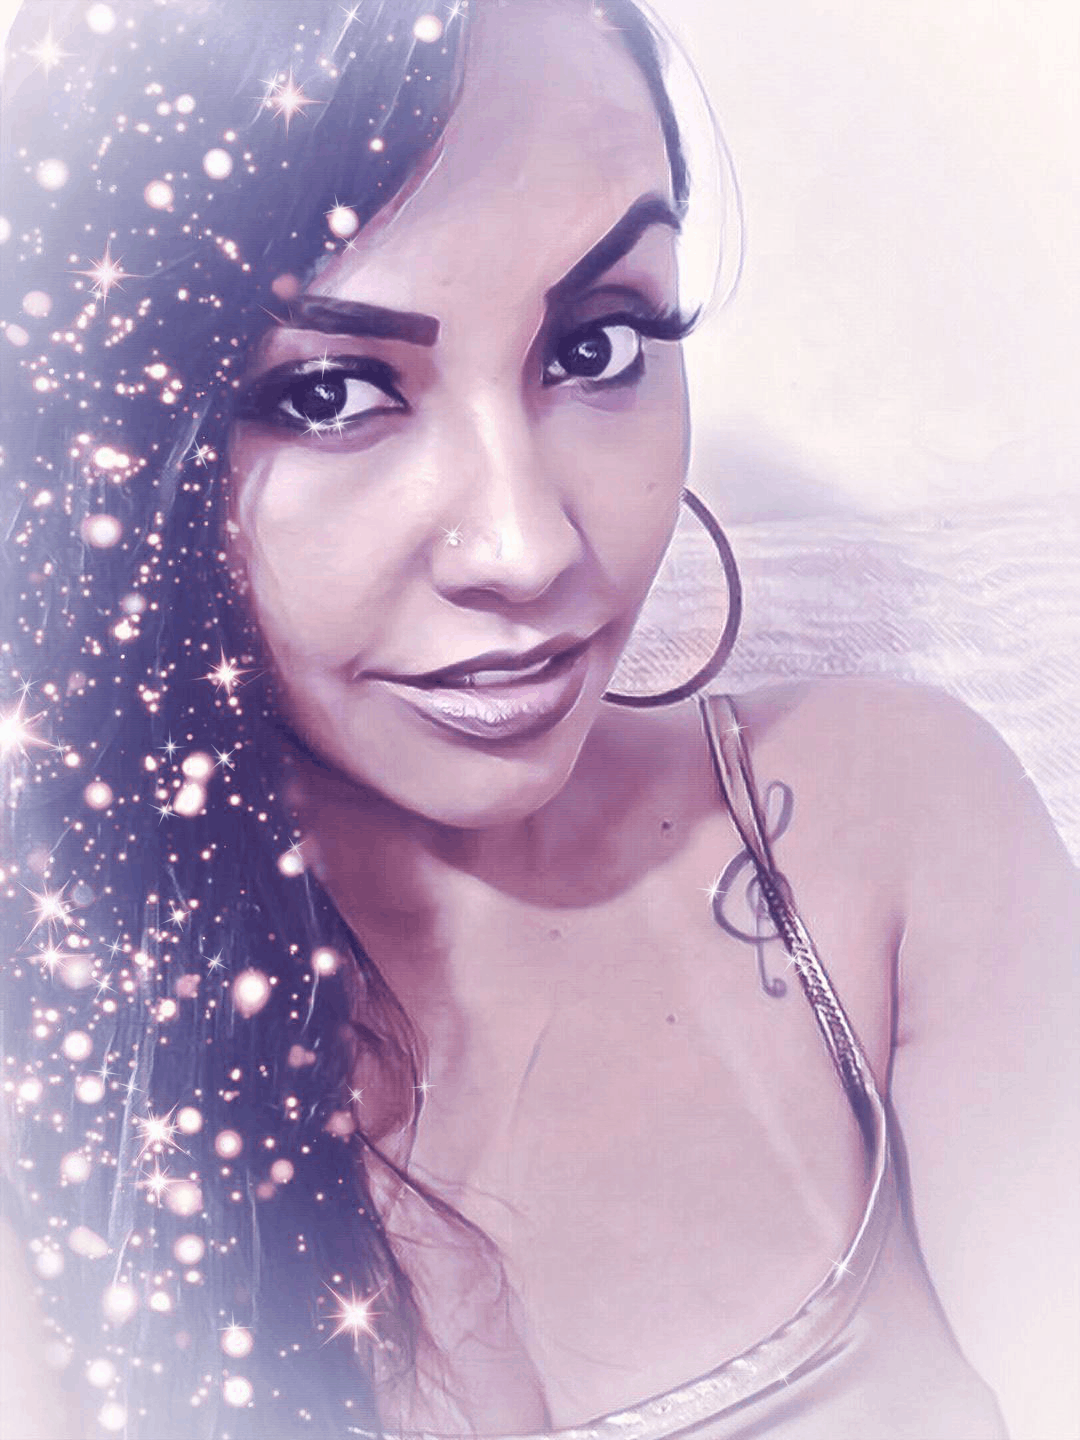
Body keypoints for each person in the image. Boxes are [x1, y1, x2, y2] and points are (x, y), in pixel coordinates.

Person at [1, 2, 1076, 1438]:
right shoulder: (61, 1047)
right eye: (328, 391)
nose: (526, 547)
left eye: (599, 344)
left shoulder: (886, 830)